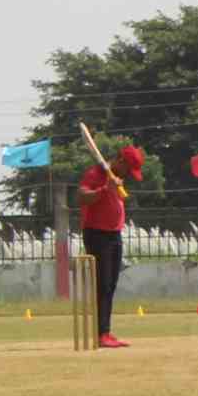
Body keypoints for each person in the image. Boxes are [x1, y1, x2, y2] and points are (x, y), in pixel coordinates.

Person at [79, 142, 145, 348]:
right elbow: (81, 196)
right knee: (103, 284)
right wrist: (104, 189)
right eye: (128, 169)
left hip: (114, 234)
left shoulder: (116, 178)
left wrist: (114, 186)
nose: (128, 175)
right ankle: (101, 334)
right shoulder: (95, 174)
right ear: (120, 161)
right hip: (97, 234)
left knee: (111, 285)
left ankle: (106, 332)